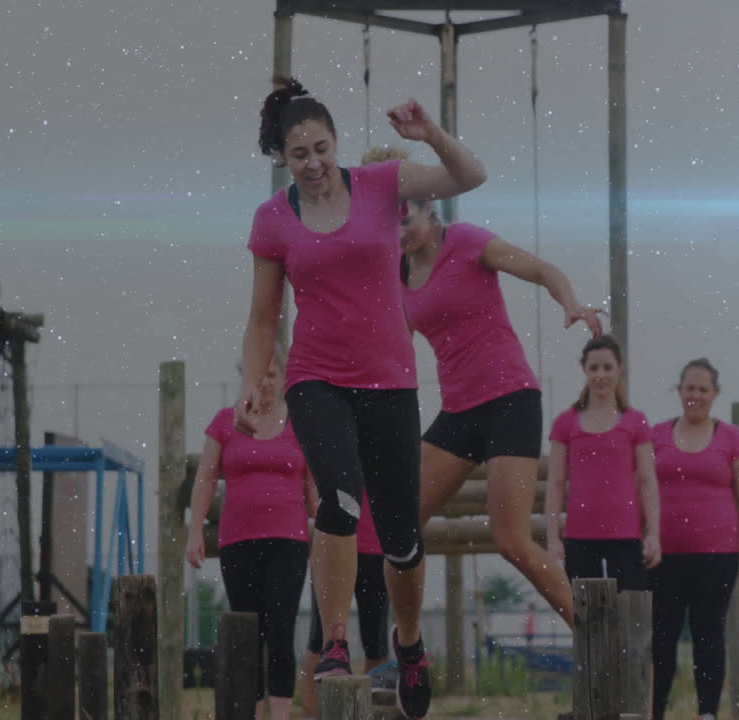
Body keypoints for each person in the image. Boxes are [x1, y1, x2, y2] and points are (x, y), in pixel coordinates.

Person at [236, 77, 486, 720]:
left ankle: (407, 645)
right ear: (282, 161)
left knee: (402, 537)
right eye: (299, 155)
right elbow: (265, 317)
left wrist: (429, 134)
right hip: (316, 380)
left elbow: (470, 177)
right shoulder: (273, 219)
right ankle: (337, 642)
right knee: (340, 500)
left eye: (321, 147)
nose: (314, 163)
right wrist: (251, 386)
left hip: (390, 383)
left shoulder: (382, 185)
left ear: (336, 142)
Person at [385, 147, 603, 628]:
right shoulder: (395, 279)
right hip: (459, 414)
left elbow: (542, 270)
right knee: (396, 525)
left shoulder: (465, 242)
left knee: (512, 541)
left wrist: (572, 304)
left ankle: (595, 632)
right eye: (391, 224)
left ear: (430, 207)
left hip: (509, 399)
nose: (400, 232)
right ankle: (405, 647)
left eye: (407, 218)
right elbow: (383, 349)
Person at [186, 353, 316, 720]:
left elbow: (313, 488)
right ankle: (253, 712)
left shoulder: (299, 424)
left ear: (284, 378)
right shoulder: (225, 423)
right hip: (239, 542)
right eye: (257, 375)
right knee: (247, 632)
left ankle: (279, 713)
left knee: (280, 629)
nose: (265, 383)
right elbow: (206, 478)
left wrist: (329, 534)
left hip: (289, 541)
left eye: (271, 374)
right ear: (245, 377)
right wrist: (196, 530)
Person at [650, 358, 739, 720]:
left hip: (716, 555)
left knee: (708, 634)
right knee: (662, 637)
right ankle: (653, 711)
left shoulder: (732, 438)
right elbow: (638, 490)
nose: (695, 395)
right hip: (662, 556)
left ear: (714, 394)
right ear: (679, 390)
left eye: (703, 389)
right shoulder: (655, 435)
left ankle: (707, 714)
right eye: (689, 388)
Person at [544, 335, 662, 595]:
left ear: (619, 369)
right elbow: (554, 484)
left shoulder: (635, 422)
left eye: (607, 367)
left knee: (631, 619)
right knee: (588, 622)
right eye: (594, 368)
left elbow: (647, 480)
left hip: (626, 537)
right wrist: (553, 539)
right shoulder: (565, 423)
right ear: (583, 369)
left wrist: (653, 533)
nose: (601, 375)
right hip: (579, 538)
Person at [297, 489, 390, 720]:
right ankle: (313, 714)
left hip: (375, 545)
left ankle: (369, 711)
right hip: (332, 548)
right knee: (319, 640)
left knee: (376, 643)